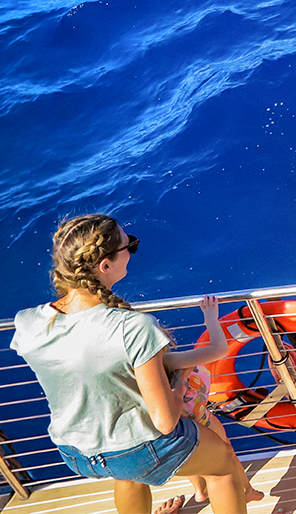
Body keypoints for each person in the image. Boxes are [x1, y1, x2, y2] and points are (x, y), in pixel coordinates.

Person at [10, 215, 252, 514]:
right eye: (130, 246)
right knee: (223, 463)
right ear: (105, 265)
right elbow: (165, 422)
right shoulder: (134, 327)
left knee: (130, 475)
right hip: (136, 450)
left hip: (76, 452)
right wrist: (179, 379)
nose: (132, 250)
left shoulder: (28, 322)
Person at [160, 296, 267, 507]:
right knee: (226, 453)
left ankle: (200, 491)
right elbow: (218, 349)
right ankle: (247, 490)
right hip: (202, 421)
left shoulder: (138, 374)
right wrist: (210, 319)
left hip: (178, 430)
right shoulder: (170, 362)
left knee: (190, 458)